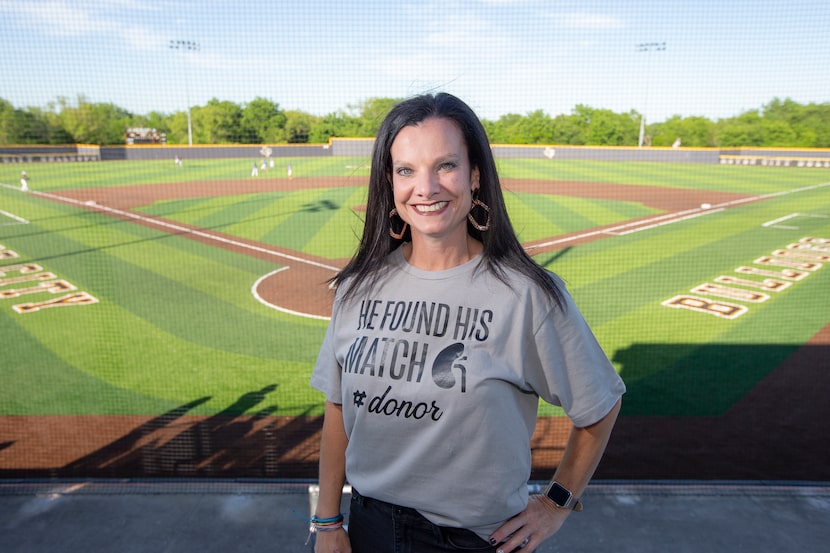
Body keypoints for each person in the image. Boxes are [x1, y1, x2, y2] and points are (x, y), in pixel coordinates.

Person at [310, 93, 625, 553]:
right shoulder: (359, 288)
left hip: (472, 540)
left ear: (475, 175)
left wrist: (556, 503)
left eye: (446, 166)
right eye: (406, 170)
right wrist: (328, 523)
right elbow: (338, 408)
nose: (426, 187)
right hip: (367, 528)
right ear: (390, 182)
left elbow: (599, 404)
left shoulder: (527, 294)